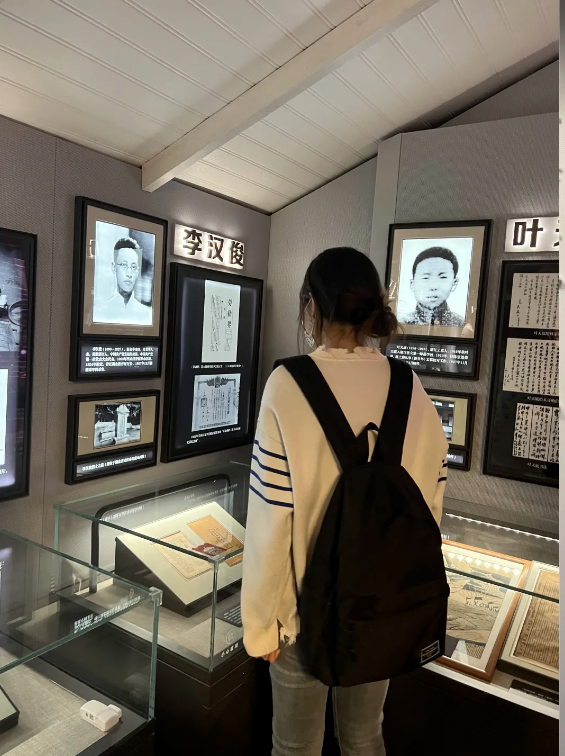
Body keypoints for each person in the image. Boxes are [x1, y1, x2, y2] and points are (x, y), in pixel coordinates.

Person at [241, 247, 448, 756]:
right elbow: (429, 507)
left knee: (295, 746)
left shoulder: (287, 385)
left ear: (312, 307)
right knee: (364, 736)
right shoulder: (409, 385)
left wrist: (263, 627)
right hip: (381, 607)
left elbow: (271, 520)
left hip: (301, 618)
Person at [93, 237, 152, 326]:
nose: (129, 274)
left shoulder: (147, 315)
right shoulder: (98, 312)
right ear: (114, 268)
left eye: (133, 267)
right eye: (124, 265)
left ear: (137, 272)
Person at [403, 247, 465, 327]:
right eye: (426, 278)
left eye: (443, 277)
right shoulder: (401, 323)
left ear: (454, 284)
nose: (433, 286)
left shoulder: (462, 325)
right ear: (412, 284)